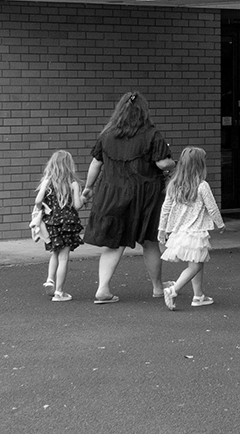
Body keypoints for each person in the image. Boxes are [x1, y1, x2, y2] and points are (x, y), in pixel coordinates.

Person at [83, 91, 175, 304]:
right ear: (144, 112)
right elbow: (162, 163)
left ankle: (102, 290)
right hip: (146, 195)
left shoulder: (107, 134)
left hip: (112, 193)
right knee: (150, 241)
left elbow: (96, 163)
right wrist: (175, 164)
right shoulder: (152, 134)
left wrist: (88, 188)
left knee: (113, 243)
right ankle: (158, 288)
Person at [158, 146, 223, 310]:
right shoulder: (202, 186)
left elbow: (165, 209)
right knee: (195, 266)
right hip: (196, 233)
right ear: (200, 165)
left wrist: (162, 228)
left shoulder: (174, 185)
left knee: (197, 262)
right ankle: (173, 290)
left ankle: (198, 295)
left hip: (180, 232)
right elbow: (212, 208)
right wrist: (220, 224)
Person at [31, 149, 84, 302]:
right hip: (69, 223)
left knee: (55, 252)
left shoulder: (47, 182)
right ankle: (59, 292)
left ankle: (50, 279)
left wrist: (43, 207)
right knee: (64, 258)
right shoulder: (73, 184)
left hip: (52, 223)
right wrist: (82, 197)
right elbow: (77, 205)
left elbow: (37, 201)